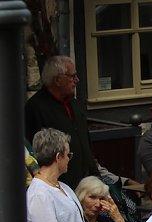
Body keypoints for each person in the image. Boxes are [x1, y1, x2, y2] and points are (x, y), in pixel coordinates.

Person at [25, 56, 98, 189]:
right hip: (60, 184)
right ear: (58, 80)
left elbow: (85, 139)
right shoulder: (35, 108)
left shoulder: (73, 103)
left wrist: (94, 171)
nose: (77, 80)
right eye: (72, 76)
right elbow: (35, 151)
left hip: (85, 180)